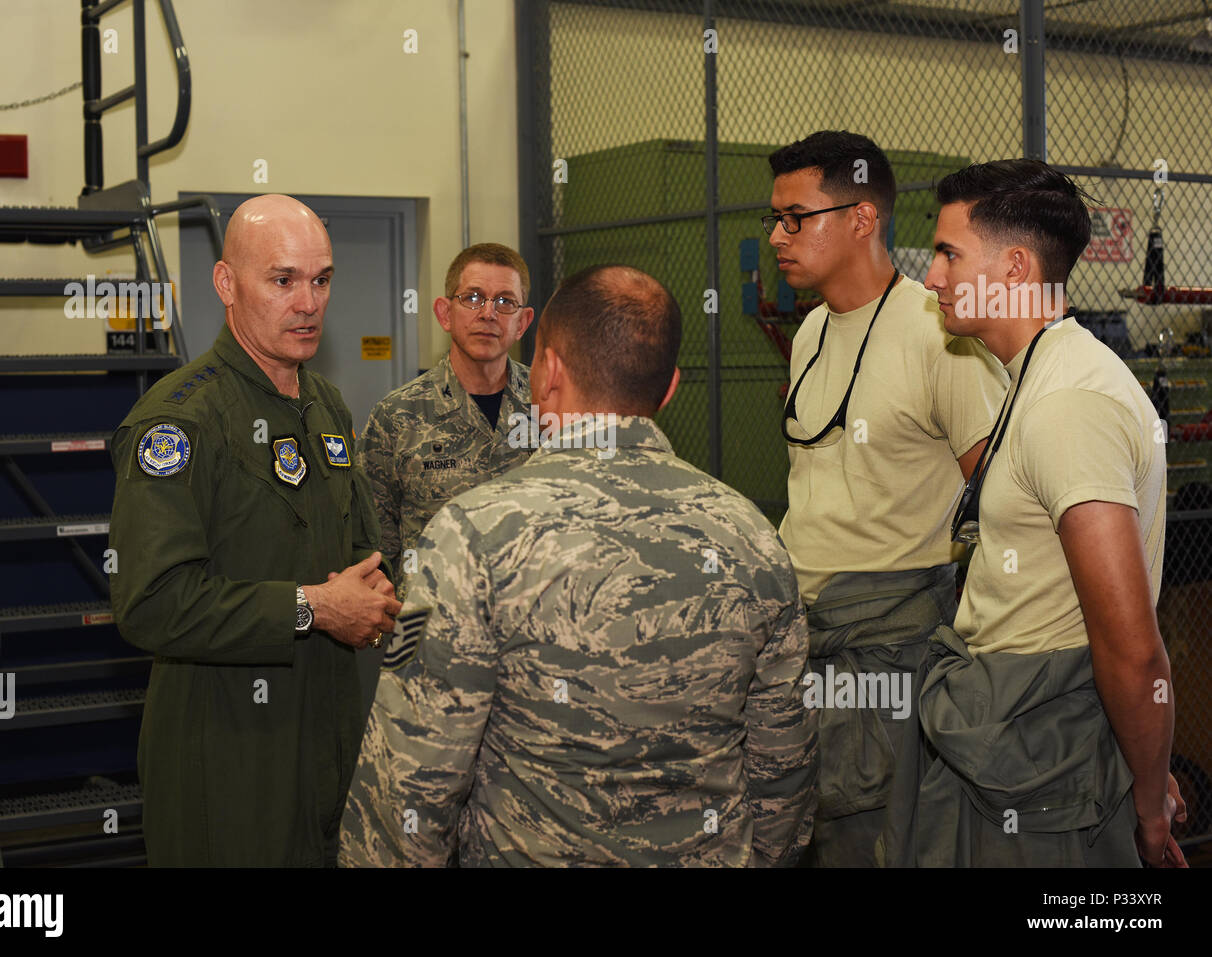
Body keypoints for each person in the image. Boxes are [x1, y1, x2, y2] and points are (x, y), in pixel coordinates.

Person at [338, 265, 817, 867]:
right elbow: (784, 768)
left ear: (546, 372)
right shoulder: (754, 538)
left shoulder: (469, 536)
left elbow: (411, 773)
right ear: (669, 388)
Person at [882, 159, 1187, 866]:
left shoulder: (1067, 404)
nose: (931, 278)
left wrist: (1144, 804)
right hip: (1028, 745)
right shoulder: (1040, 376)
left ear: (1016, 267)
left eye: (949, 253)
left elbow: (1133, 647)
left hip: (1045, 769)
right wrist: (1141, 754)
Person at [108, 194, 402, 867]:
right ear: (226, 285)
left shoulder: (324, 402)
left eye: (321, 279)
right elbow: (150, 602)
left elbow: (359, 549)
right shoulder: (180, 421)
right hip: (231, 757)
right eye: (282, 280)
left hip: (330, 743)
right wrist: (315, 608)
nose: (308, 302)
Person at [765, 130, 1008, 865]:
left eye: (796, 217)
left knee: (870, 839)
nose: (777, 236)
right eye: (775, 218)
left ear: (862, 218)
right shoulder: (809, 332)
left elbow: (999, 502)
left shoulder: (939, 336)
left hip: (888, 650)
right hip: (802, 637)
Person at [358, 243, 534, 601]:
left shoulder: (552, 407)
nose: (488, 314)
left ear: (523, 322)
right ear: (444, 313)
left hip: (532, 626)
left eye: (504, 302)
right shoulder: (397, 416)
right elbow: (375, 546)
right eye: (472, 298)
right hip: (432, 632)